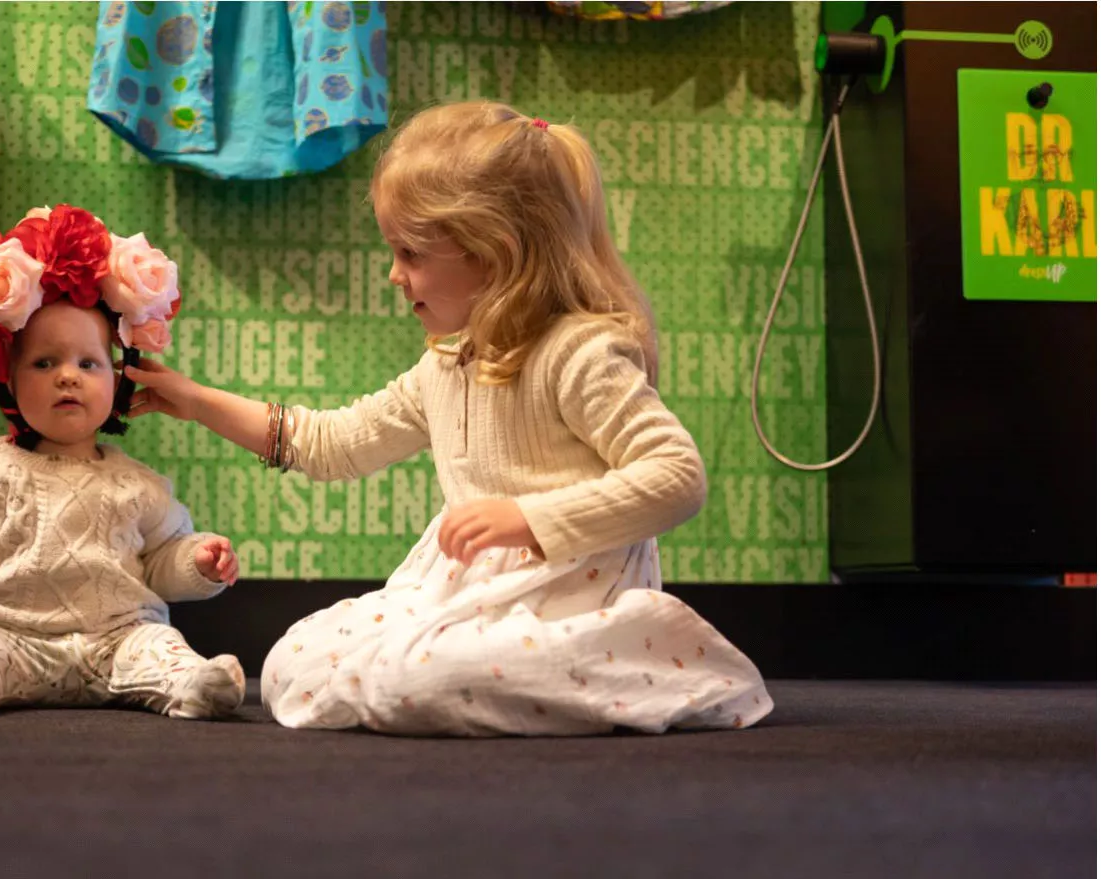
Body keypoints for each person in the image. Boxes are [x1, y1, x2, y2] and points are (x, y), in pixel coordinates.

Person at [126, 102, 774, 737]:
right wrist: (193, 400)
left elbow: (677, 477)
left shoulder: (578, 351)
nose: (393, 274)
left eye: (409, 253)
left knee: (418, 678)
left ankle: (628, 663)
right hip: (462, 595)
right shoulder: (445, 361)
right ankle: (471, 680)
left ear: (493, 255)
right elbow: (333, 443)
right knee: (290, 660)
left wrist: (527, 518)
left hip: (568, 596)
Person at [0, 205, 245, 724]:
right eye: (44, 363)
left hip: (116, 638)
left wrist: (199, 562)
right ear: (10, 382)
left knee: (158, 644)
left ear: (117, 382)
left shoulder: (139, 484)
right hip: (6, 635)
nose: (68, 377)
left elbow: (160, 563)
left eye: (88, 363)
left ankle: (193, 685)